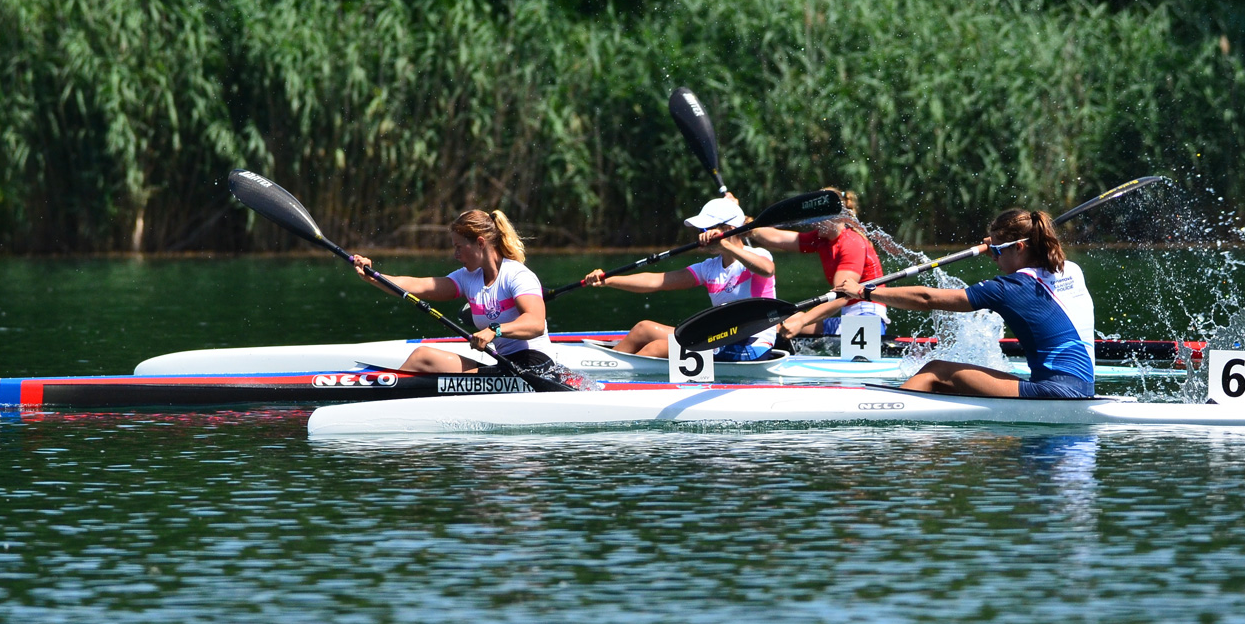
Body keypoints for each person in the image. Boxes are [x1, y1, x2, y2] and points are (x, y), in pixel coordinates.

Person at [806, 208, 1094, 397]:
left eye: (996, 251)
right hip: (1080, 388)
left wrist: (865, 292)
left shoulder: (1011, 287)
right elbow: (1024, 261)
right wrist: (997, 248)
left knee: (936, 370)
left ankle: (878, 418)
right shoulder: (1070, 270)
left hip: (1052, 391)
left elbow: (927, 298)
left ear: (1019, 247)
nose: (993, 257)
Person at [349, 209, 557, 374]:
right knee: (423, 356)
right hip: (505, 365)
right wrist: (372, 276)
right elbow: (417, 286)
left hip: (535, 366)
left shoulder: (517, 275)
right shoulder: (468, 277)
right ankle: (391, 396)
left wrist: (494, 330)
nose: (455, 255)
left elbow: (536, 323)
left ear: (480, 243)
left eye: (459, 247)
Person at [582, 197, 777, 360]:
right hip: (720, 338)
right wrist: (608, 280)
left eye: (706, 230)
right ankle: (605, 371)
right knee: (643, 329)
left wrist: (727, 245)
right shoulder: (709, 268)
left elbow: (767, 270)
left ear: (727, 229)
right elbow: (656, 281)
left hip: (753, 345)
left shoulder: (759, 255)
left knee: (657, 348)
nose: (702, 236)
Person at [747, 187, 888, 342]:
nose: (813, 223)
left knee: (796, 320)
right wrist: (750, 228)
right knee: (781, 324)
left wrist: (802, 321)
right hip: (848, 315)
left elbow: (841, 296)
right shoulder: (823, 239)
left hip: (867, 319)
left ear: (835, 216)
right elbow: (779, 238)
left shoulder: (851, 243)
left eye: (818, 218)